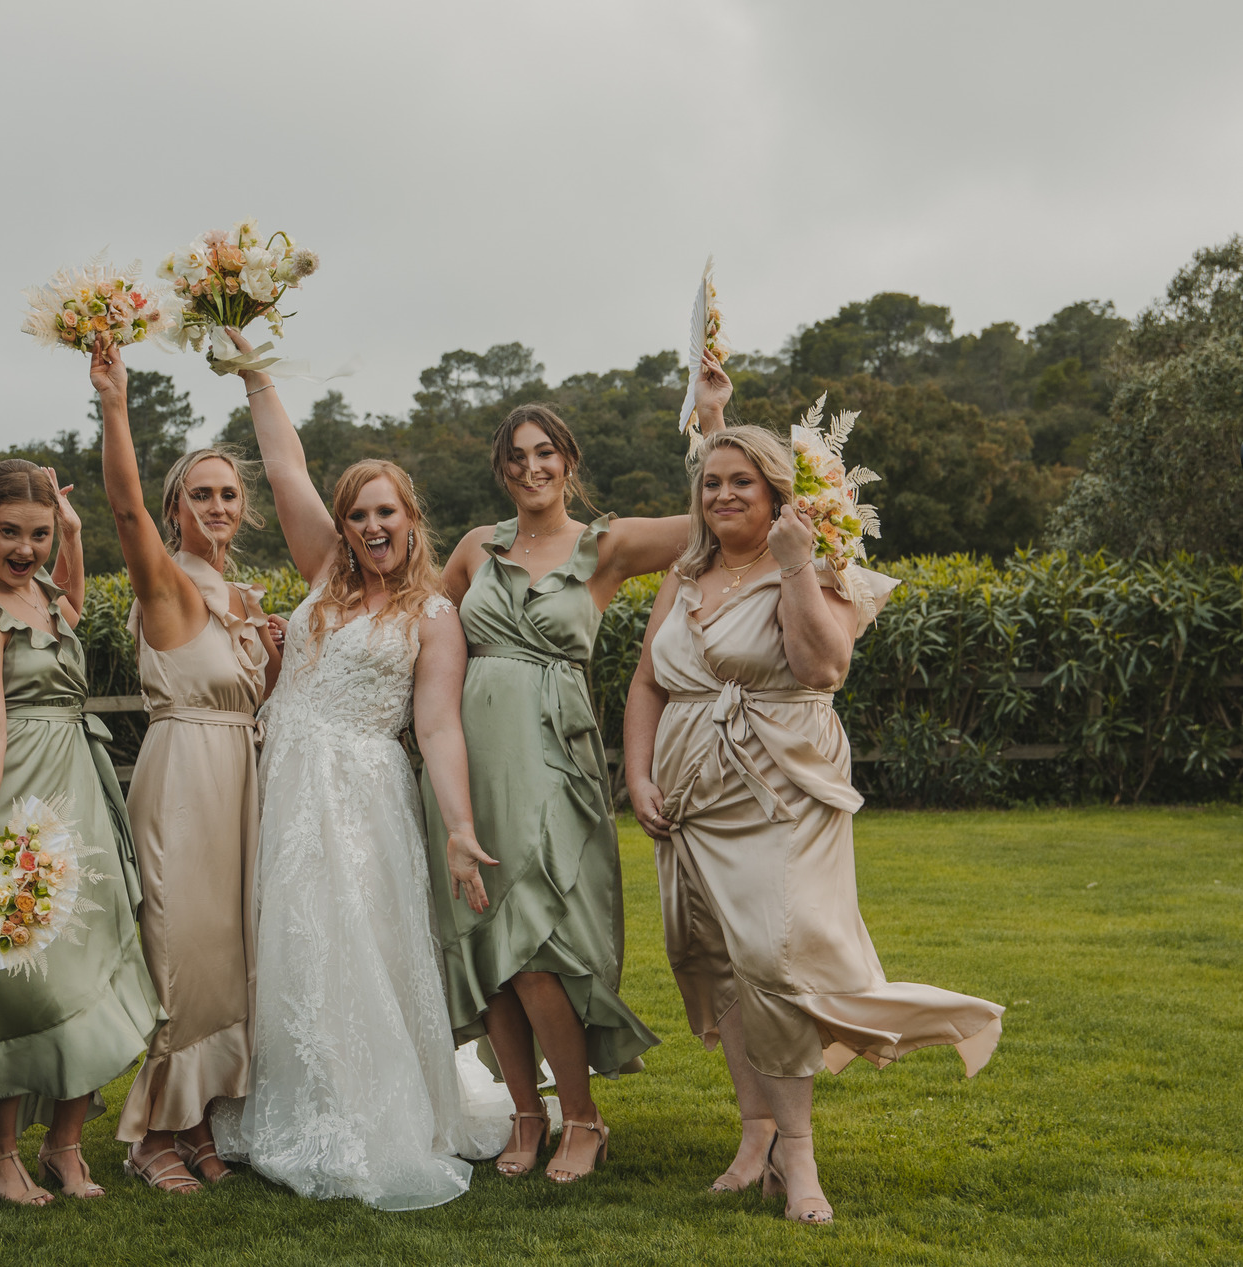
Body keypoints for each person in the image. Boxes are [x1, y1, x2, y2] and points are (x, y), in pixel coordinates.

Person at [622, 425, 1005, 1225]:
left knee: (776, 956)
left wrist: (796, 564)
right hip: (690, 791)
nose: (722, 494)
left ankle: (798, 1154)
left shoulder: (823, 567)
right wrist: (638, 772)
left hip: (780, 788)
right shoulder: (686, 572)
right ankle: (753, 1133)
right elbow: (648, 680)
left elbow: (822, 667)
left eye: (741, 482)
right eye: (711, 482)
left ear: (777, 494)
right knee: (716, 957)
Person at [209, 331, 509, 1211]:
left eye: (388, 512)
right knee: (290, 939)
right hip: (284, 779)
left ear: (411, 518)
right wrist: (256, 370)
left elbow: (439, 727)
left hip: (363, 790)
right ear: (343, 525)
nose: (373, 527)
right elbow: (284, 465)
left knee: (355, 941)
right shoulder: (320, 577)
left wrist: (458, 827)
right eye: (359, 514)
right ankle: (291, 1094)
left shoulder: (435, 614)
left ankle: (365, 1110)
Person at [421, 352, 731, 1183]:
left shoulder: (608, 544)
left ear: (569, 462)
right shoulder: (473, 550)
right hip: (468, 767)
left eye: (545, 452)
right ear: (501, 469)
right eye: (516, 456)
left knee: (536, 946)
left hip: (552, 762)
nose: (531, 467)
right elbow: (413, 619)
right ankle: (528, 1116)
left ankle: (583, 1117)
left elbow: (718, 516)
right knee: (487, 944)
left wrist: (710, 420)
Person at [0, 460, 162, 1206]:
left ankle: (66, 1145)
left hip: (75, 796)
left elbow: (72, 609)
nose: (25, 547)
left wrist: (75, 539)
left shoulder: (43, 592)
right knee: (18, 976)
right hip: (11, 802)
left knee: (84, 969)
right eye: (10, 532)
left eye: (40, 533)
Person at [89, 341, 283, 1193]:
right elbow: (122, 509)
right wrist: (115, 407)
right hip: (183, 774)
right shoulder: (166, 581)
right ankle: (152, 1133)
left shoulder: (249, 601)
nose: (216, 504)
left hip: (243, 774)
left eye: (228, 494)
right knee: (182, 951)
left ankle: (202, 1122)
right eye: (199, 493)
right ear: (174, 508)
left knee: (230, 955)